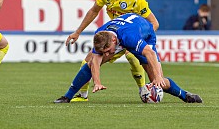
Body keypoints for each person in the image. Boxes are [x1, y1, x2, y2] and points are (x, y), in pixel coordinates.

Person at [54, 13, 202, 103]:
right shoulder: (101, 35)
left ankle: (185, 95)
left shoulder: (130, 37)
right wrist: (97, 82)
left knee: (158, 81)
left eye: (107, 51)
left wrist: (157, 77)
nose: (107, 54)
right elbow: (96, 60)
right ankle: (67, 97)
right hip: (123, 33)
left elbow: (149, 53)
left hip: (146, 36)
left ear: (113, 42)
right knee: (89, 63)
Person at [65, 0, 159, 101]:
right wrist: (77, 32)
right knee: (89, 60)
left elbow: (154, 23)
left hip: (131, 37)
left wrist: (139, 39)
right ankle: (83, 95)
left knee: (133, 58)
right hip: (113, 38)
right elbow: (93, 11)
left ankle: (143, 90)